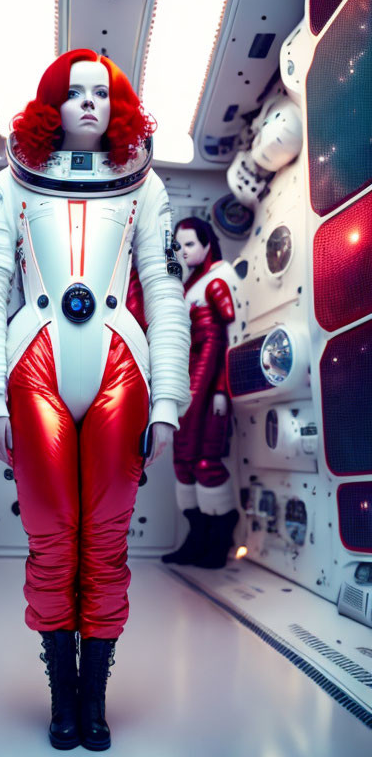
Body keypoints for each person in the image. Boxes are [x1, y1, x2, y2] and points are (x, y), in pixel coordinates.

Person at [0, 49, 191, 750]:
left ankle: (94, 701)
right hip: (34, 364)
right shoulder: (9, 185)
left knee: (107, 539)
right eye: (73, 93)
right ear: (49, 107)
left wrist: (168, 403)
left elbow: (163, 292)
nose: (88, 103)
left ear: (119, 106)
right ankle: (62, 699)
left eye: (101, 92)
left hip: (123, 364)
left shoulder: (144, 188)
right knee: (50, 535)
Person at [161, 217, 239, 569]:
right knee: (183, 462)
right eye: (179, 246)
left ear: (207, 244)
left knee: (205, 462)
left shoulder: (217, 279)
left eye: (190, 244)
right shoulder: (191, 285)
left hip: (208, 390)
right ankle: (198, 539)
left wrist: (220, 388)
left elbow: (225, 338)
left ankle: (218, 541)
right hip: (189, 383)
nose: (184, 251)